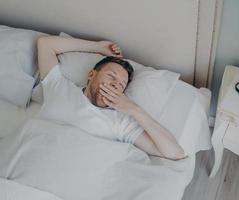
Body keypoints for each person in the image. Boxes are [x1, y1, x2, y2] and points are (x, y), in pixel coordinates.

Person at [37, 36, 185, 160]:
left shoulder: (120, 123)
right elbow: (45, 44)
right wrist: (97, 47)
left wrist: (135, 110)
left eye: (121, 85)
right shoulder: (59, 87)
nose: (114, 85)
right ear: (91, 75)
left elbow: (175, 153)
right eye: (110, 76)